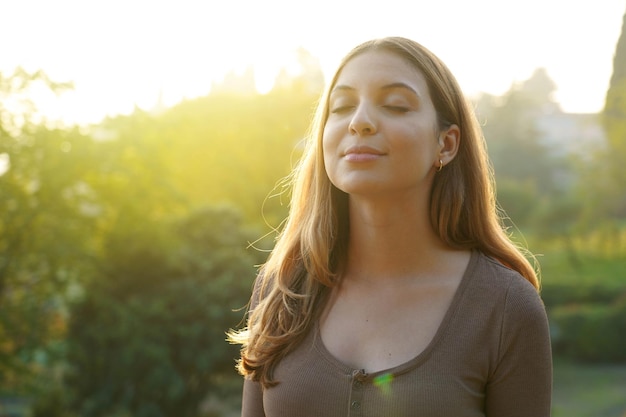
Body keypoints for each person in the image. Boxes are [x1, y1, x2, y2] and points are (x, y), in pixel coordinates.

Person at [228, 36, 552, 417]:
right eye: (342, 106)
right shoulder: (282, 287)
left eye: (396, 105)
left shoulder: (506, 308)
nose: (360, 121)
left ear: (446, 144)